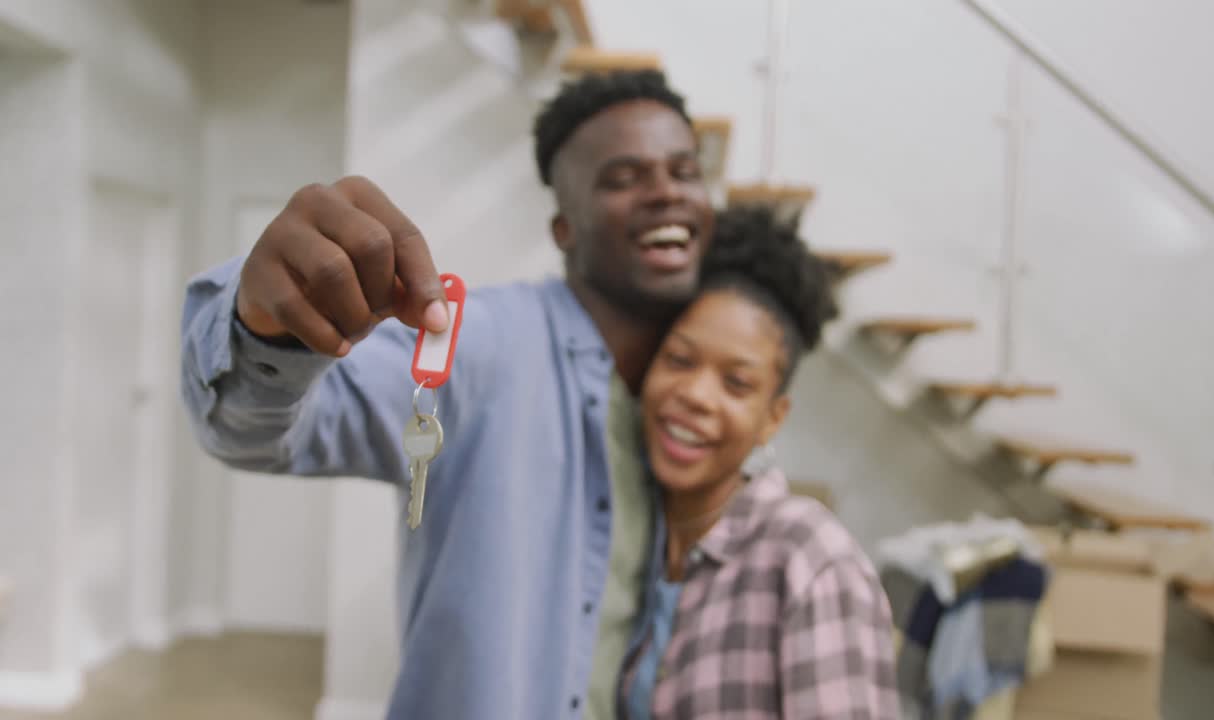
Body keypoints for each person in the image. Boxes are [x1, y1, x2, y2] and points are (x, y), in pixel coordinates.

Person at [179, 70, 715, 719]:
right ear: (563, 229)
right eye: (623, 178)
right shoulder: (480, 344)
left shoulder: (707, 386)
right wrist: (265, 330)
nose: (666, 193)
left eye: (684, 171)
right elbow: (261, 434)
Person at [619, 205, 901, 719]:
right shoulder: (629, 541)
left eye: (737, 384)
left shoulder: (810, 561)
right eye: (680, 360)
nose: (697, 395)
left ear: (772, 417)